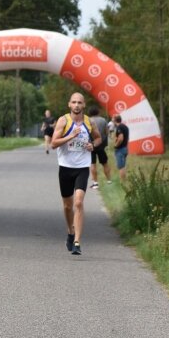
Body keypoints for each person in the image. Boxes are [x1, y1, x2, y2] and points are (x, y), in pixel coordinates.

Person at [51, 92, 102, 256]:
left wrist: (93, 145)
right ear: (69, 105)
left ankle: (77, 242)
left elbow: (99, 138)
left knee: (78, 203)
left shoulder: (89, 122)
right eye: (74, 102)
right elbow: (53, 143)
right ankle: (70, 231)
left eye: (80, 102)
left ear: (84, 105)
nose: (77, 105)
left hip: (82, 167)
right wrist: (70, 136)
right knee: (67, 205)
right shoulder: (63, 121)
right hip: (65, 167)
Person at [87, 106, 112, 189]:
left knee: (92, 164)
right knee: (105, 163)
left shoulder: (87, 120)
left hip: (91, 145)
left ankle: (95, 183)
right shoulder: (103, 120)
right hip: (101, 145)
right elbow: (107, 132)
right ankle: (109, 181)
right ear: (98, 112)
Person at [113, 114, 130, 184]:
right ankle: (124, 181)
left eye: (112, 119)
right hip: (125, 148)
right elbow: (126, 138)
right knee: (123, 166)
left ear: (114, 120)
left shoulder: (119, 127)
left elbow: (121, 138)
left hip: (120, 149)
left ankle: (122, 183)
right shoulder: (125, 126)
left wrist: (116, 145)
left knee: (121, 167)